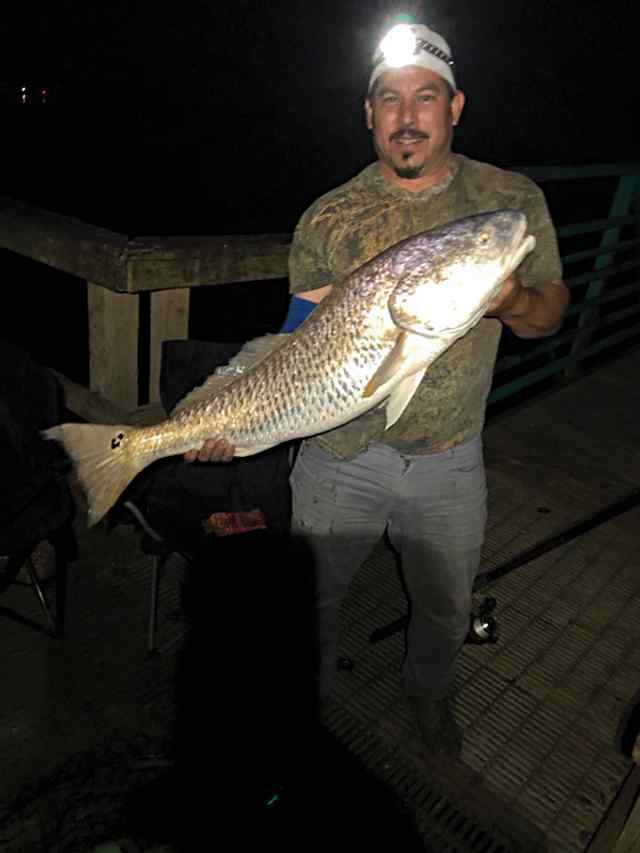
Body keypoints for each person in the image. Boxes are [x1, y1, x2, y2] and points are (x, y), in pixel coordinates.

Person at [186, 19, 570, 757]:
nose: (407, 117)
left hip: (450, 454)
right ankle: (307, 709)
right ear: (369, 112)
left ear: (454, 106)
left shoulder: (507, 201)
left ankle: (429, 693)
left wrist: (511, 299)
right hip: (336, 458)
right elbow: (299, 346)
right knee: (314, 603)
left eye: (425, 98)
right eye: (388, 99)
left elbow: (548, 310)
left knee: (446, 601)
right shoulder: (330, 217)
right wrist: (228, 418)